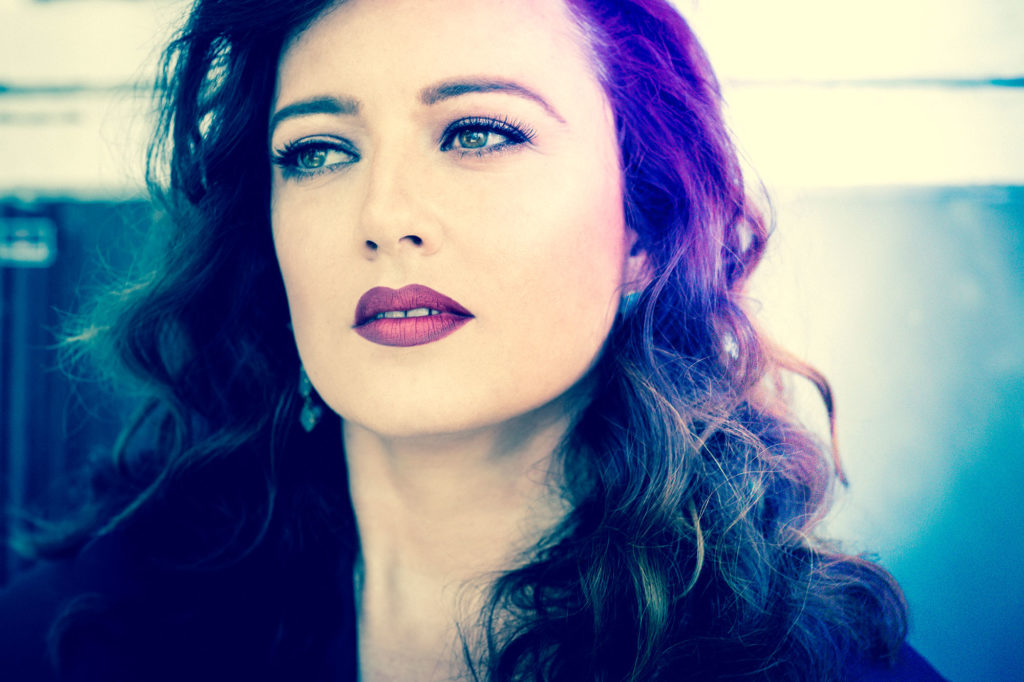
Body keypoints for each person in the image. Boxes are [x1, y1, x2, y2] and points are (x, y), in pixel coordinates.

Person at [0, 0, 947, 680]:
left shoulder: (808, 664)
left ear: (644, 230)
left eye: (480, 133)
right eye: (318, 151)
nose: (385, 215)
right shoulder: (73, 634)